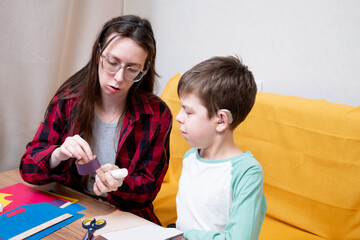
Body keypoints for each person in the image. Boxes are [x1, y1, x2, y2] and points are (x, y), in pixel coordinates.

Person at [20, 15, 172, 224]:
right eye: (112, 62)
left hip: (127, 219)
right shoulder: (68, 100)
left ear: (144, 70)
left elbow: (148, 192)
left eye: (132, 69)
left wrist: (120, 184)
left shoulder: (157, 114)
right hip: (72, 210)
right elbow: (29, 169)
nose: (119, 77)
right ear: (99, 52)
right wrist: (58, 153)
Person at [175, 56, 267, 239]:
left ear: (221, 120)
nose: (179, 117)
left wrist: (187, 236)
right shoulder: (190, 157)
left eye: (188, 111)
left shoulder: (247, 172)